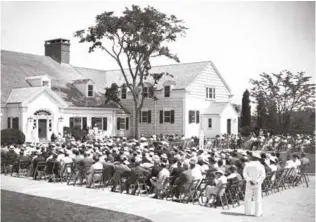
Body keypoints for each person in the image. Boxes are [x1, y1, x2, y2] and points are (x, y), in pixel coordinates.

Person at [243, 152, 266, 217]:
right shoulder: (261, 166)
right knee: (258, 198)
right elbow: (263, 175)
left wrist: (249, 180)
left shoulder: (247, 165)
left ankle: (247, 212)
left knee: (248, 198)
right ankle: (257, 213)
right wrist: (257, 181)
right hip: (257, 184)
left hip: (249, 183)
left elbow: (244, 174)